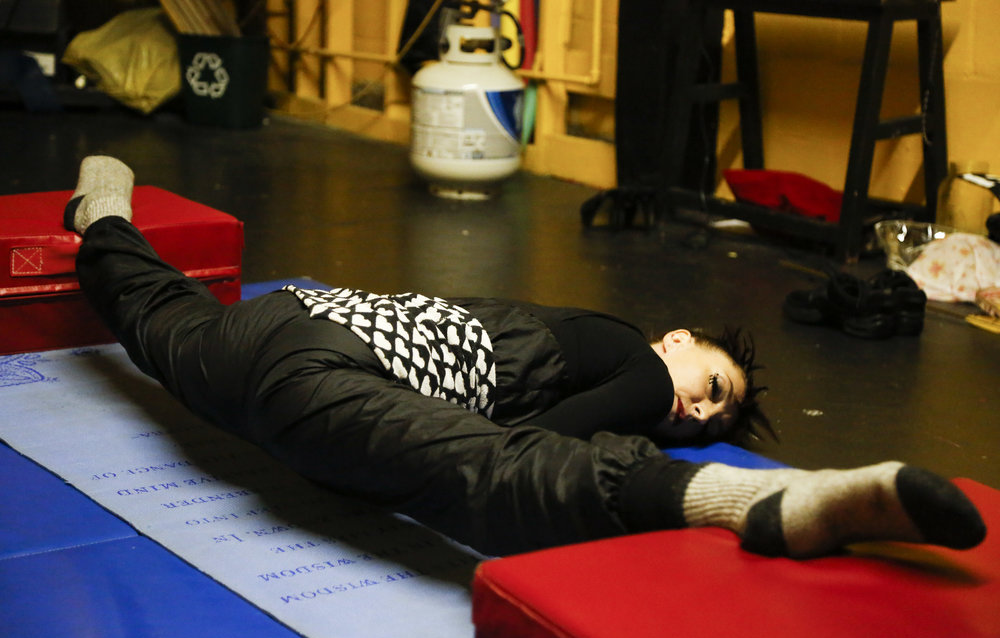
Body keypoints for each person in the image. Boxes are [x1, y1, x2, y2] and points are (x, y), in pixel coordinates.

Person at [66, 156, 986, 558]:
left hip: (285, 320)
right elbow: (538, 440)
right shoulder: (635, 363)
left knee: (158, 321)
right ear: (673, 340)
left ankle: (104, 213)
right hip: (329, 368)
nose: (701, 411)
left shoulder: (573, 335)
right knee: (484, 471)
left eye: (717, 416)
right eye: (711, 384)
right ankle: (759, 502)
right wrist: (654, 445)